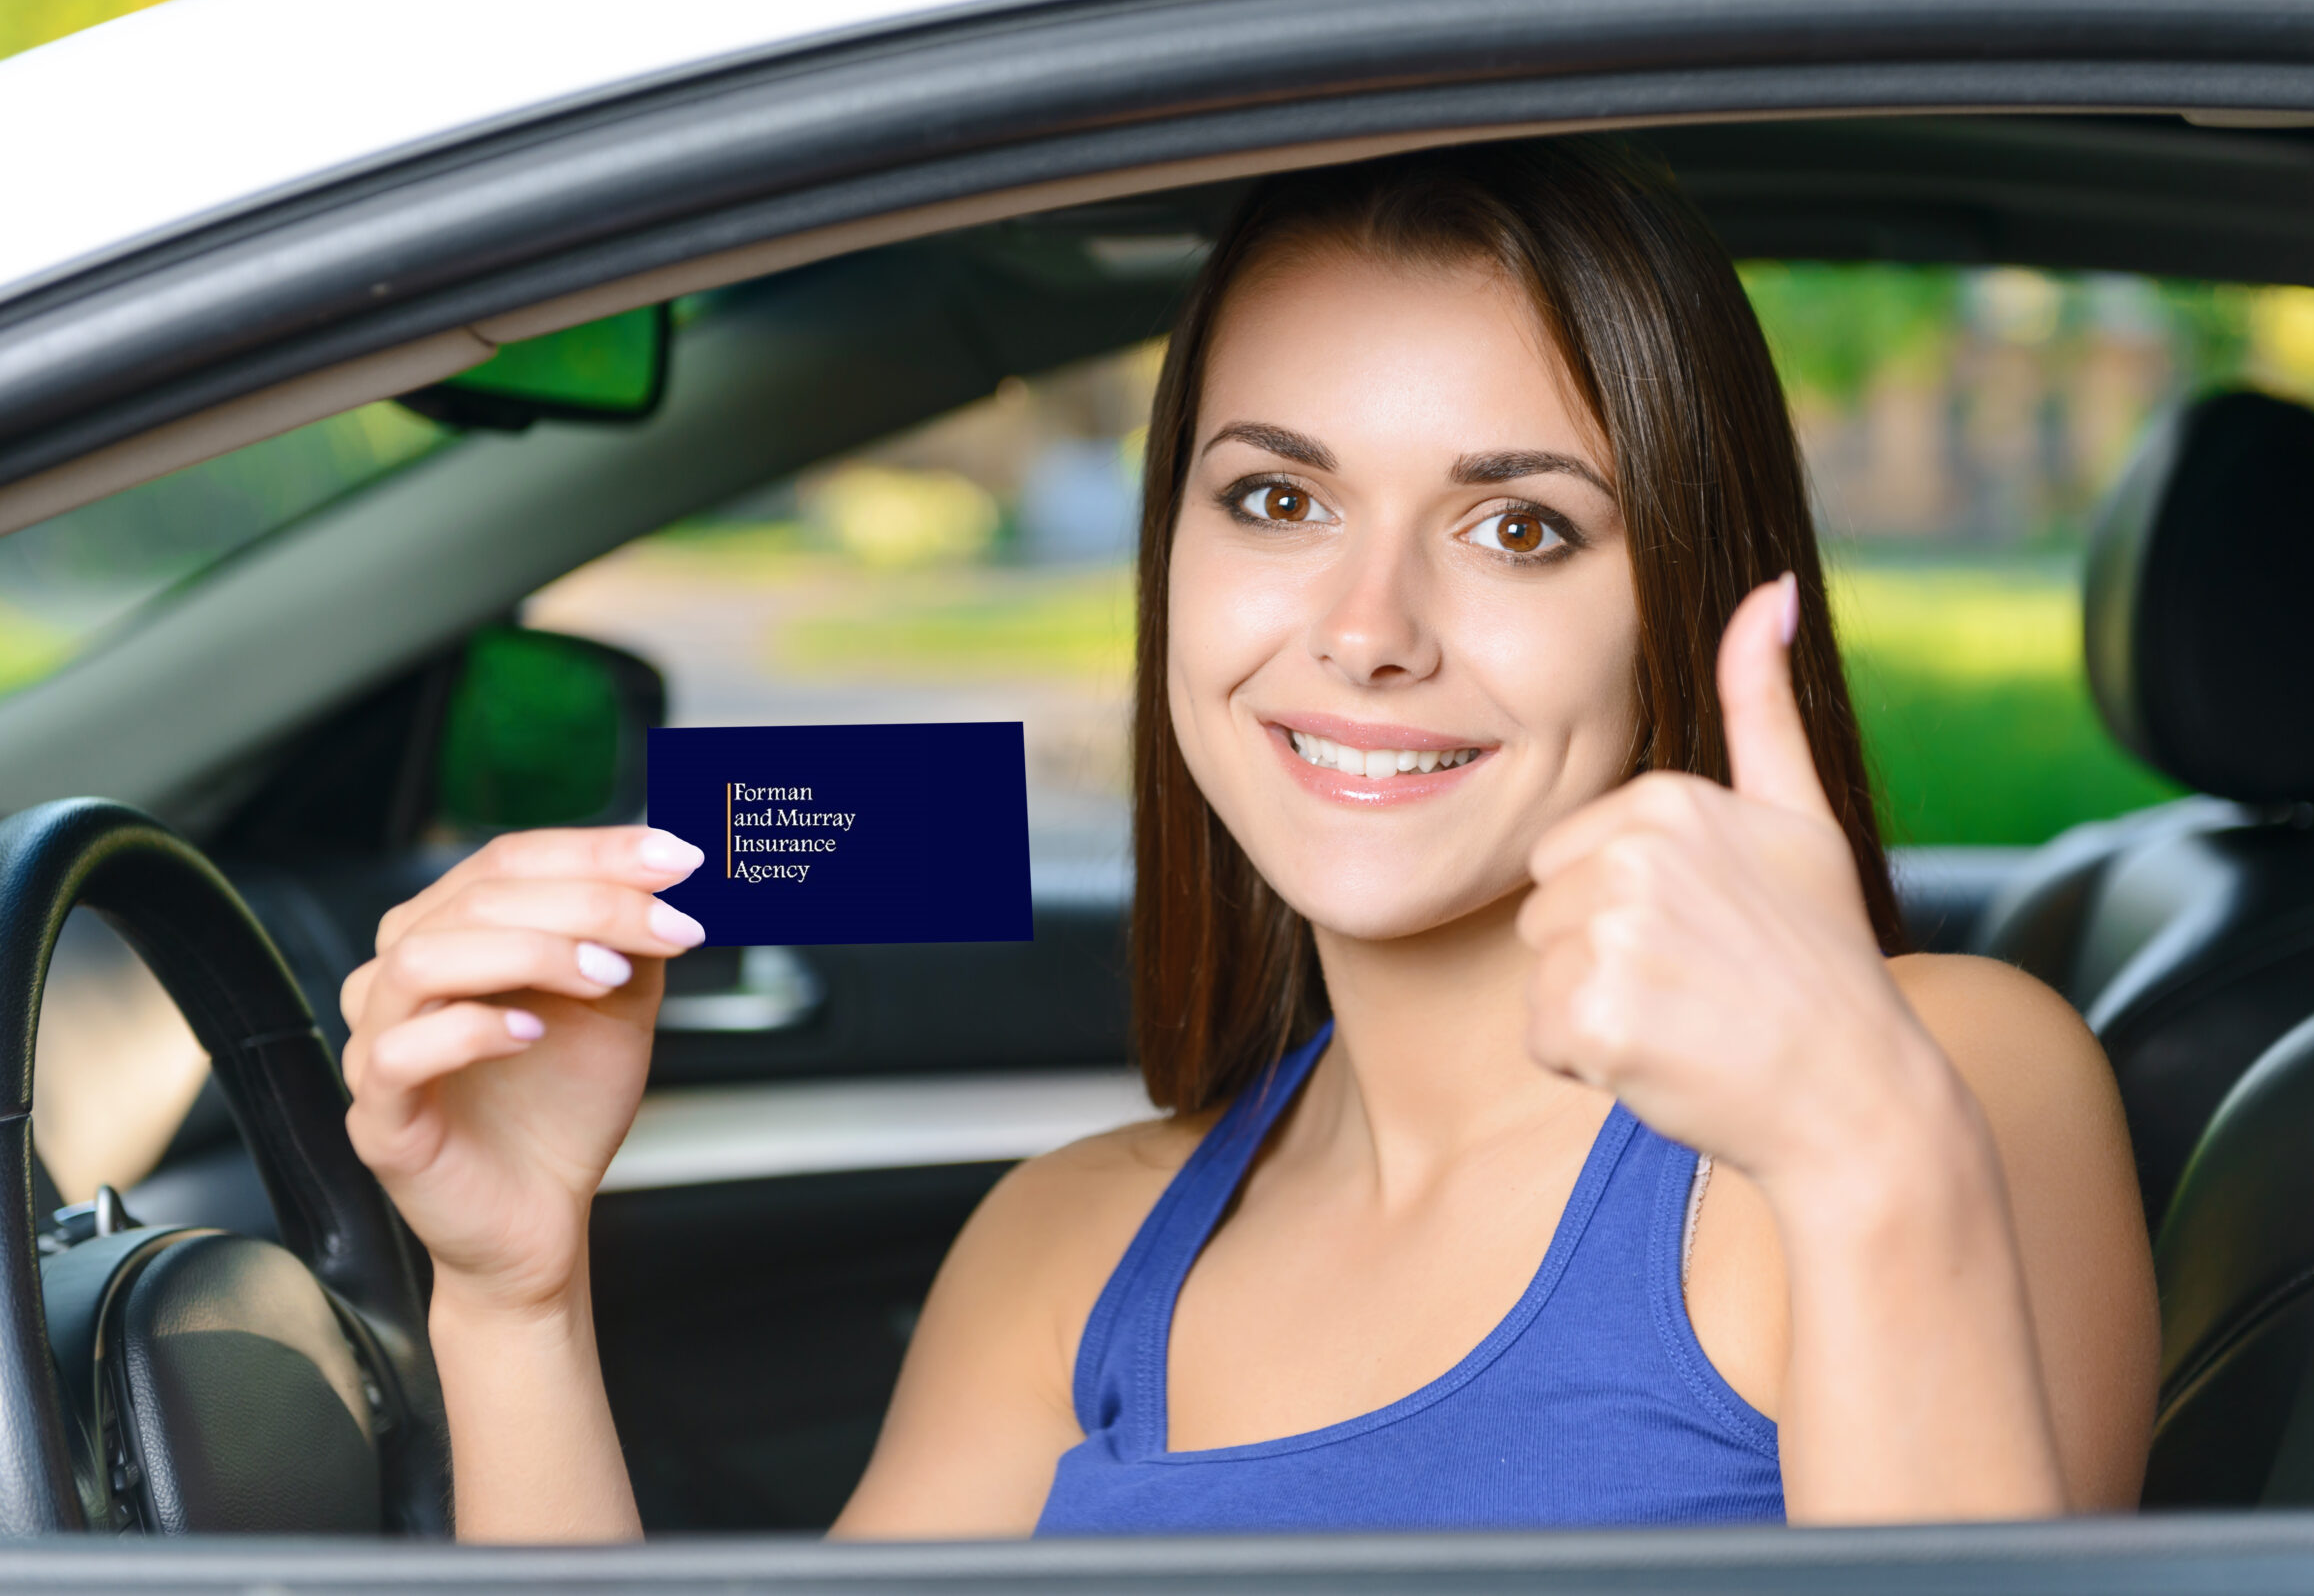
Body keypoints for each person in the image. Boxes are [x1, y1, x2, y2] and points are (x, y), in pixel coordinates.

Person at [341, 138, 2156, 1540]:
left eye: (1519, 528)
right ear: (1173, 567)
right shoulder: (1063, 1253)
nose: (1366, 626)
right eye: (1278, 499)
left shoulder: (1927, 1087)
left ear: (1682, 599)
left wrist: (1862, 1146)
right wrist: (512, 1301)